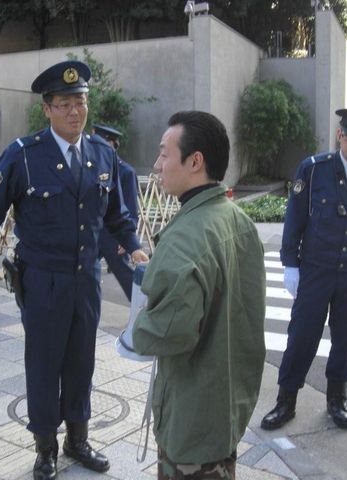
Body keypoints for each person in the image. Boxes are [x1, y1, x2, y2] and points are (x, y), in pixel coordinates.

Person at [0, 60, 148, 480]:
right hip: (42, 280)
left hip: (86, 278)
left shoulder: (102, 154)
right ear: (47, 109)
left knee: (81, 361)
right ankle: (45, 446)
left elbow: (116, 216)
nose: (74, 111)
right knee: (43, 364)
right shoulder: (25, 156)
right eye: (64, 104)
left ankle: (78, 440)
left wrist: (134, 248)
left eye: (80, 102)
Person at [132, 111, 266, 479]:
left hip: (192, 416)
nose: (157, 166)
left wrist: (137, 326)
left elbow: (166, 333)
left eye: (164, 154)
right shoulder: (239, 221)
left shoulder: (184, 238)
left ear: (195, 162)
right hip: (229, 403)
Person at [260, 108, 347, 431]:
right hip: (316, 270)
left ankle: (337, 400)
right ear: (338, 135)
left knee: (344, 339)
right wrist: (290, 263)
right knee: (302, 337)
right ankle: (285, 401)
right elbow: (295, 219)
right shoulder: (314, 170)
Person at [92, 124, 139, 300]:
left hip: (113, 233)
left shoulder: (126, 171)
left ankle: (141, 307)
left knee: (125, 274)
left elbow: (130, 206)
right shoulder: (94, 167)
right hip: (94, 229)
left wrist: (128, 236)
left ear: (111, 144)